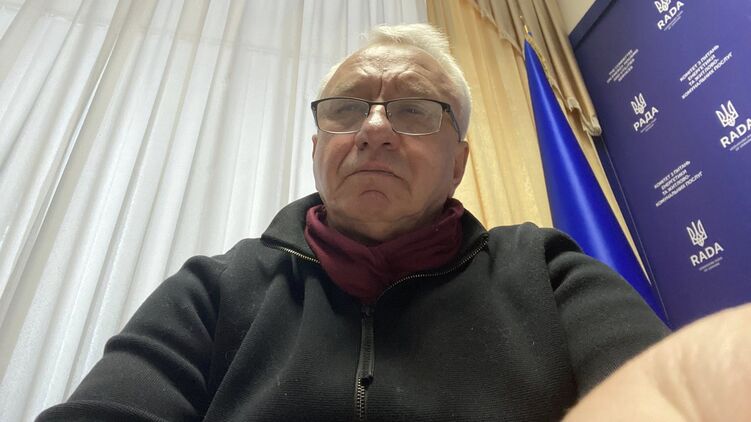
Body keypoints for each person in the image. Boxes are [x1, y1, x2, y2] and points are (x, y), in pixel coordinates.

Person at [38, 24, 669, 421]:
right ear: (317, 149)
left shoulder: (548, 274)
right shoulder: (215, 288)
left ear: (459, 163)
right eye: (346, 109)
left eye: (413, 110)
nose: (373, 129)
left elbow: (669, 399)